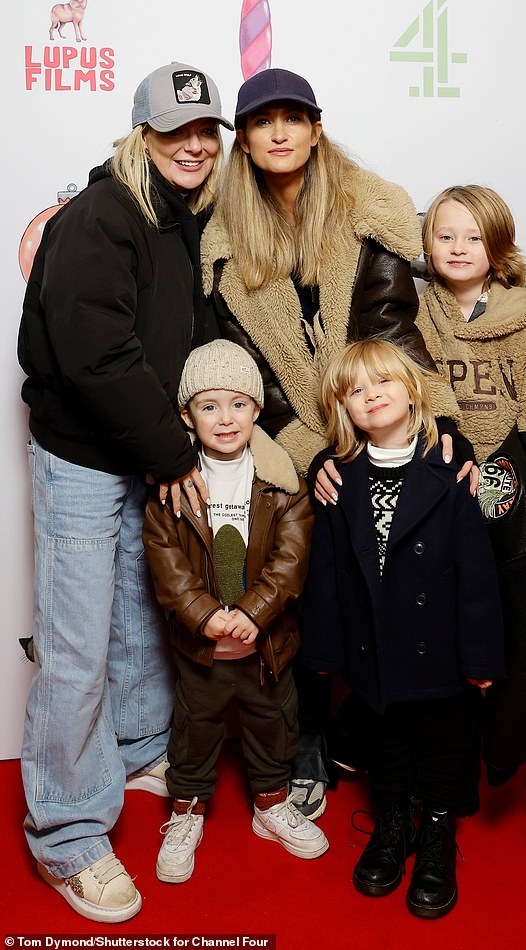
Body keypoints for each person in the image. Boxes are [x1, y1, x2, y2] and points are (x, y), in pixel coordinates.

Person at [200, 67, 469, 819]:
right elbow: (255, 378)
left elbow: (392, 329)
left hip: (377, 405)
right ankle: (312, 726)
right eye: (262, 121)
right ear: (245, 141)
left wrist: (435, 420)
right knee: (303, 542)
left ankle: (423, 722)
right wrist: (313, 454)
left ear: (317, 129)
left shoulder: (368, 213)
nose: (279, 132)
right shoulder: (223, 245)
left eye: (294, 117)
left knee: (433, 516)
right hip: (288, 429)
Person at [17, 62, 232, 922]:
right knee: (75, 646)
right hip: (82, 457)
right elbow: (95, 354)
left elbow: (179, 335)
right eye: (175, 129)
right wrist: (175, 451)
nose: (194, 144)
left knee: (139, 617)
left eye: (205, 130)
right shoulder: (104, 214)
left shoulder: (178, 217)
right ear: (142, 133)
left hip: (139, 451)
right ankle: (67, 833)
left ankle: (139, 750)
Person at [300, 339, 504, 919]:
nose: (371, 396)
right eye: (355, 391)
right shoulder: (338, 481)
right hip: (375, 652)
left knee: (445, 745)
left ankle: (437, 830)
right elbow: (328, 576)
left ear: (413, 391)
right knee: (386, 745)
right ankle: (393, 822)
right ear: (344, 410)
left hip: (440, 651)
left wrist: (481, 660)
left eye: (382, 382)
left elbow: (477, 578)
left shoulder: (452, 472)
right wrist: (323, 651)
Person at [416, 184, 526, 843]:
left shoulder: (525, 315)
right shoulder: (413, 311)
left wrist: (504, 486)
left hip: (511, 490)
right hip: (443, 488)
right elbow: (408, 400)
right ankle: (449, 761)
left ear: (498, 247)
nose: (458, 248)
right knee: (449, 630)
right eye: (445, 235)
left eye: (473, 237)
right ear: (426, 244)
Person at [142, 340, 328, 883]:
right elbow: (167, 561)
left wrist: (255, 612)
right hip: (203, 646)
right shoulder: (171, 486)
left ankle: (271, 807)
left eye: (239, 404)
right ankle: (186, 813)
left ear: (256, 409)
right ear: (186, 414)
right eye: (209, 405)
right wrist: (202, 614)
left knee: (273, 725)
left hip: (265, 643)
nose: (226, 419)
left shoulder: (282, 480)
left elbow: (291, 558)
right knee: (194, 730)